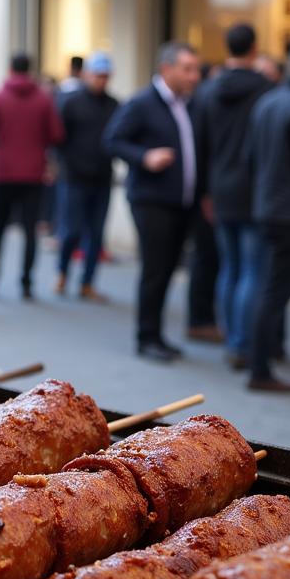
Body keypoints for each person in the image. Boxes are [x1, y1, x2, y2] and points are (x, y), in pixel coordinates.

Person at [104, 41, 202, 362]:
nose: (194, 76)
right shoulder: (142, 103)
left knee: (168, 269)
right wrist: (145, 156)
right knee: (155, 270)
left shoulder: (189, 104)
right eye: (187, 69)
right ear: (166, 69)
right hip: (152, 201)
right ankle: (147, 337)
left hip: (182, 203)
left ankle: (157, 334)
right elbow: (112, 140)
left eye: (195, 69)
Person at [196, 23, 272, 369]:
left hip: (220, 188)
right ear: (254, 48)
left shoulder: (209, 90)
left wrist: (205, 190)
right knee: (252, 271)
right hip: (255, 190)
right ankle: (243, 343)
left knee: (230, 266)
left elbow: (201, 145)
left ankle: (231, 336)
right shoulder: (266, 90)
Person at [243, 37, 290, 392]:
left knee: (267, 286)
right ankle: (260, 368)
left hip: (267, 207)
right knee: (275, 290)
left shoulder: (268, 102)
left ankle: (265, 356)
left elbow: (250, 158)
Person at [0, 53, 64, 299]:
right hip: (33, 172)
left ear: (10, 69)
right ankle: (26, 282)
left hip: (2, 171)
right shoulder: (43, 99)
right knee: (30, 231)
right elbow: (56, 134)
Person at [55, 52, 119, 302]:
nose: (101, 81)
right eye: (97, 75)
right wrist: (63, 165)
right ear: (87, 74)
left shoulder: (114, 105)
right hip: (74, 177)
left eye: (105, 76)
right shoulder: (71, 102)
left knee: (96, 233)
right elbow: (60, 139)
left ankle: (87, 282)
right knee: (71, 230)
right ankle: (62, 272)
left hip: (102, 178)